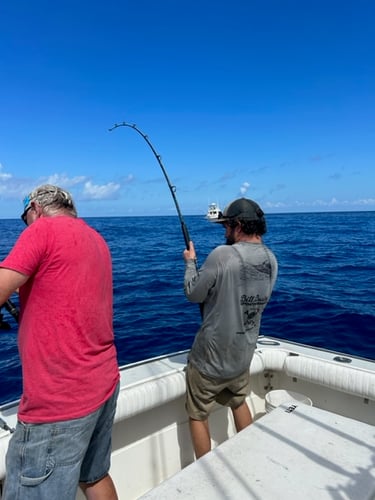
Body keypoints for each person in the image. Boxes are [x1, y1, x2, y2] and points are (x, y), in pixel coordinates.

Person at [0, 185, 120, 499]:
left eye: (25, 218)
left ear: (36, 210)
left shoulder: (41, 230)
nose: (26, 226)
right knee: (94, 476)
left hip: (58, 400)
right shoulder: (96, 239)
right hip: (103, 382)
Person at [183, 197, 278, 458]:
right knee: (239, 402)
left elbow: (193, 293)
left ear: (238, 225)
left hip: (210, 360)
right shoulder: (272, 259)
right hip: (242, 355)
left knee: (197, 415)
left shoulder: (222, 254)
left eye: (226, 226)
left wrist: (191, 262)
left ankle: (205, 472)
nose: (224, 231)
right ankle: (247, 457)